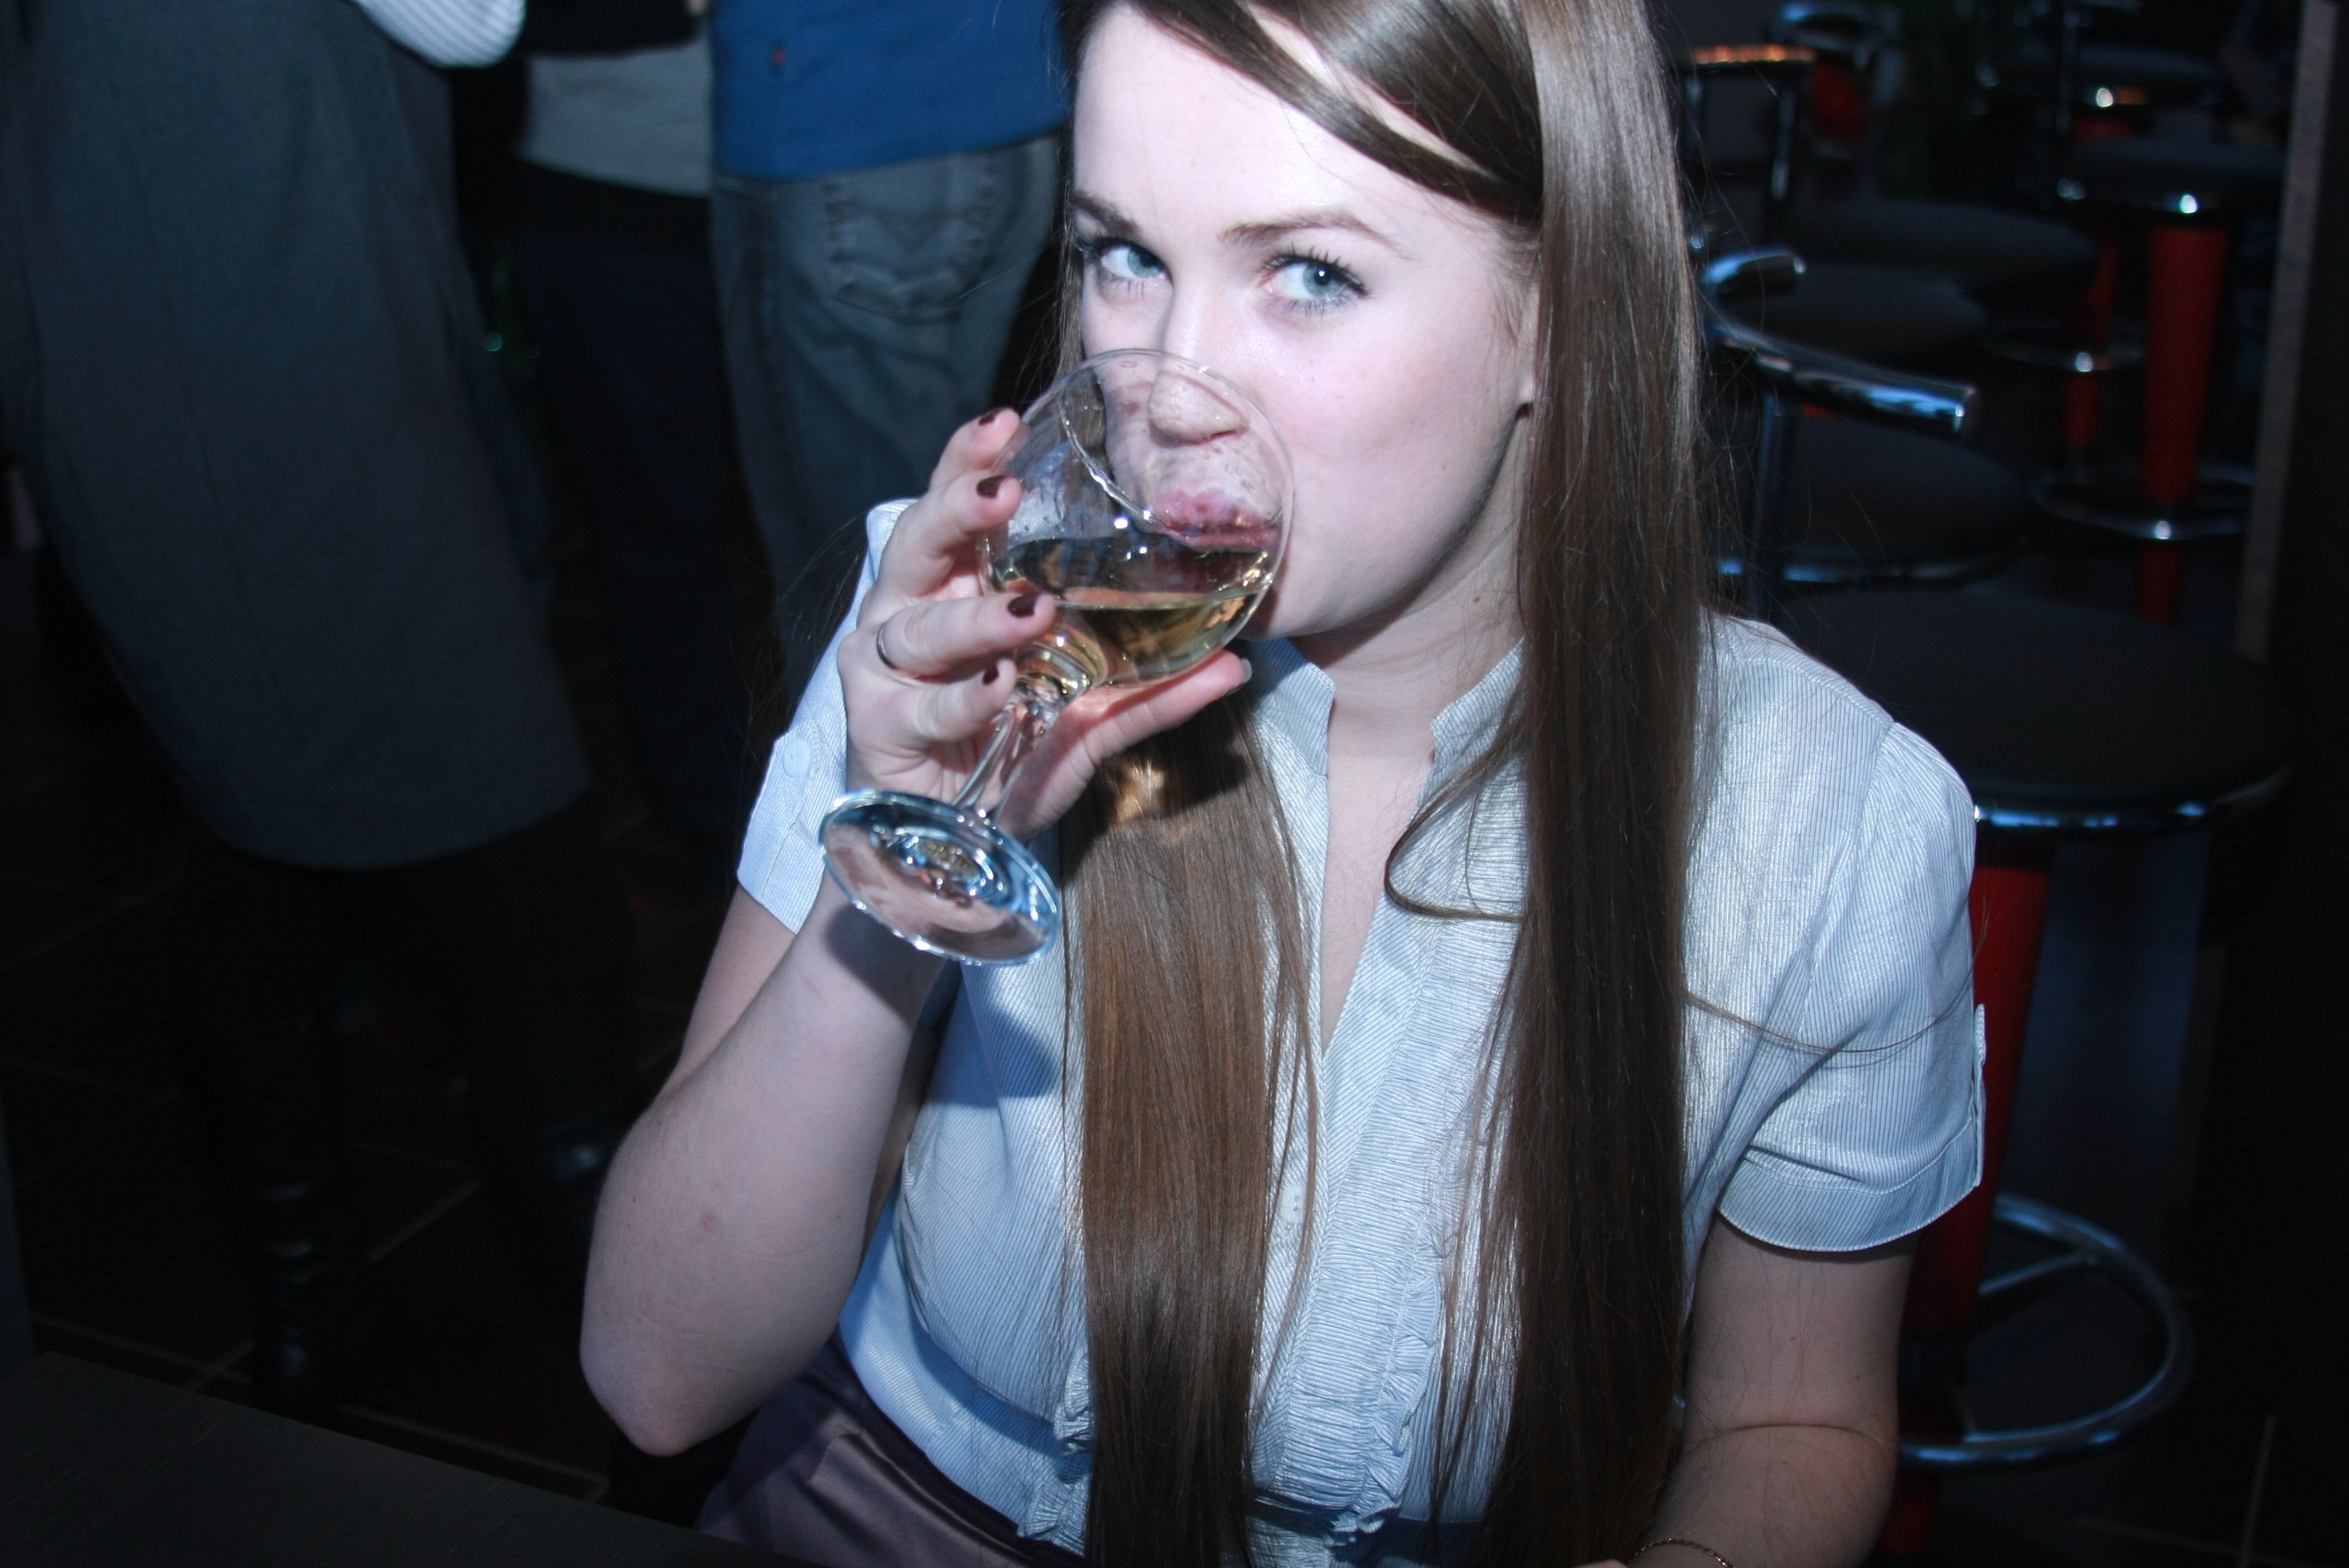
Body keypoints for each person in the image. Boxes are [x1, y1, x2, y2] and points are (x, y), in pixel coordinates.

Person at [582, 0, 1984, 1563]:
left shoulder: (1822, 819)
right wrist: (903, 885)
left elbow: (1794, 1419)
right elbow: (659, 1371)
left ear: (1559, 312)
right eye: (1125, 254)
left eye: (1309, 274)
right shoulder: (966, 629)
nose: (1169, 387)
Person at [0, 0, 640, 1416]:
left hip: (129, 301)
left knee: (254, 844)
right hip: (265, 332)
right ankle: (681, 1423)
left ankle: (313, 1321)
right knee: (532, 907)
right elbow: (472, 17)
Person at [707, 0, 1066, 695]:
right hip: (1010, 98)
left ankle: (895, 764)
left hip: (842, 111)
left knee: (852, 579)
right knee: (936, 526)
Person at [511, 0, 761, 901]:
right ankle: (717, 843)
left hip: (825, 174)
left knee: (854, 534)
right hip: (609, 190)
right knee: (659, 547)